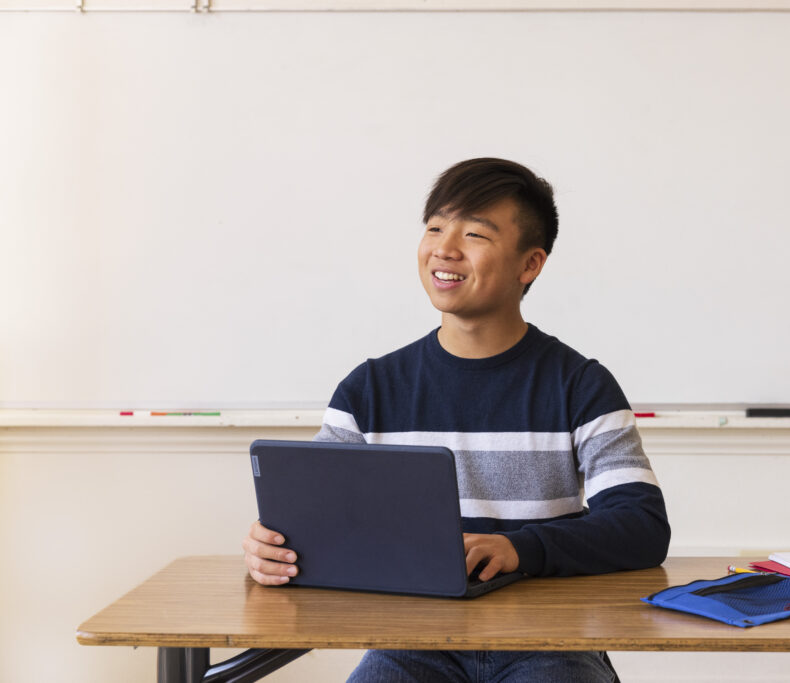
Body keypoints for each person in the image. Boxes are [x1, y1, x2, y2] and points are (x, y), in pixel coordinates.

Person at [242, 157, 671, 682]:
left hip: (549, 644)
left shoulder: (580, 385)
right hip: (412, 643)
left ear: (529, 264)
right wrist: (273, 548)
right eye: (435, 228)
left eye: (473, 233)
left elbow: (642, 527)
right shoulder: (370, 390)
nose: (444, 249)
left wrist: (519, 549)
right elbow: (320, 524)